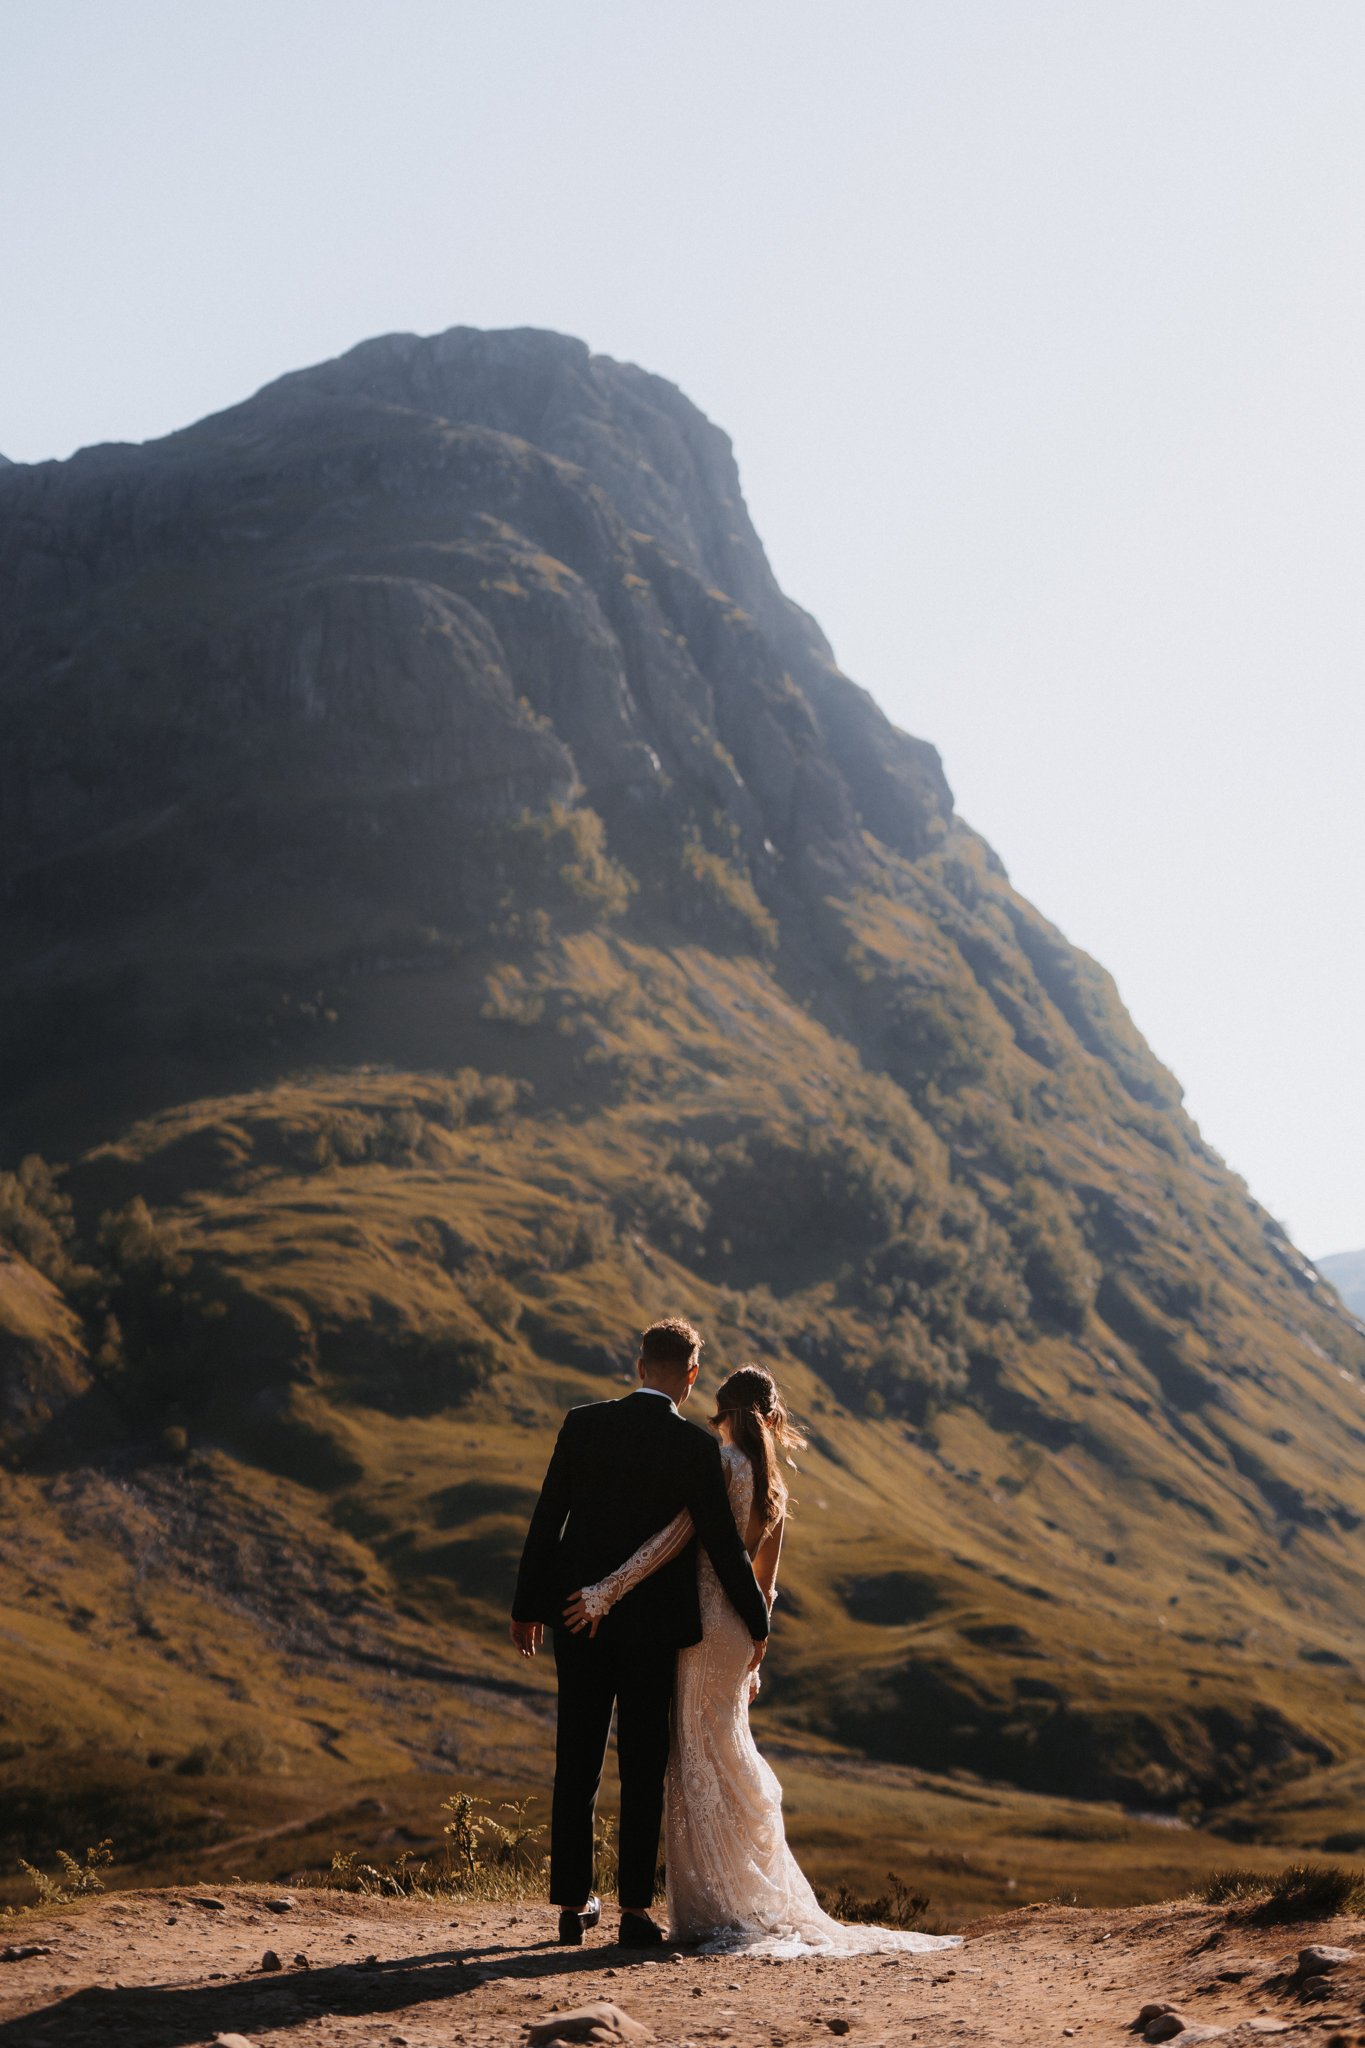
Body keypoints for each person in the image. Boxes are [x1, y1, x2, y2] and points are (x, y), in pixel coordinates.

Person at [562, 1363, 962, 1959]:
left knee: (693, 1757)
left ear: (718, 1414)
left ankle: (711, 1902)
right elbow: (764, 1585)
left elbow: (673, 1539)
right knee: (720, 1749)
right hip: (736, 1635)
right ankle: (737, 1893)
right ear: (772, 1420)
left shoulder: (720, 1466)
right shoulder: (773, 1484)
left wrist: (607, 1590)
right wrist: (755, 1652)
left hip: (697, 1627)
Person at [510, 1318, 770, 1948]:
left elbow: (550, 1514)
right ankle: (632, 1913)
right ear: (690, 1375)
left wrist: (528, 1606)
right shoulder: (693, 1449)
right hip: (653, 1629)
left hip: (579, 1616)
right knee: (644, 1764)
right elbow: (719, 1540)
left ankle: (572, 1906)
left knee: (576, 1756)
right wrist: (757, 1617)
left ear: (637, 1365)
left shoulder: (583, 1423)